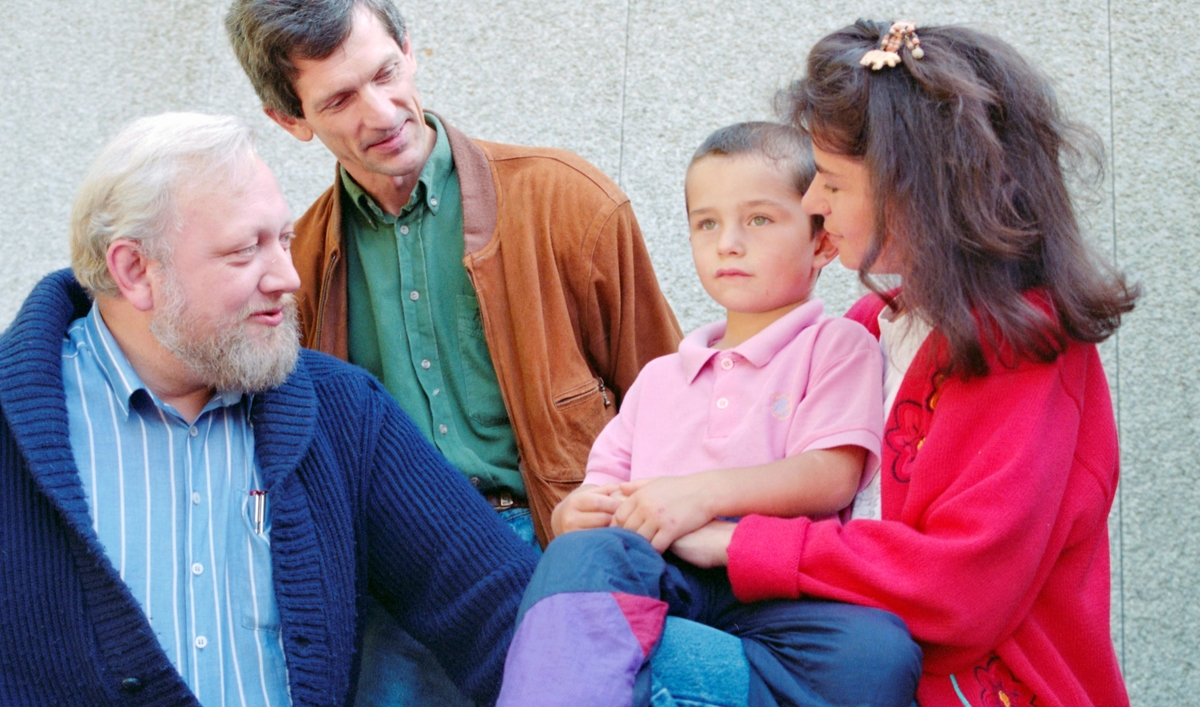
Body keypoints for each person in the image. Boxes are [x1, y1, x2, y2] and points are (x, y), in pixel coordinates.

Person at [223, 1, 702, 704]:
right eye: (340, 99)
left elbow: (672, 414)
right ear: (290, 121)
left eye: (385, 73)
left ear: (410, 50)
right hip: (400, 572)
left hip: (563, 545)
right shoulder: (301, 262)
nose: (382, 112)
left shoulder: (569, 201)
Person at [667, 21, 1139, 707]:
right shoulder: (865, 328)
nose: (811, 204)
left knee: (621, 653)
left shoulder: (1029, 347)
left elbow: (960, 590)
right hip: (841, 665)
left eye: (830, 180)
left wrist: (740, 546)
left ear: (918, 187)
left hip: (975, 691)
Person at [0, 112, 537, 706]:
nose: (287, 276)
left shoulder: (344, 416)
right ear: (135, 271)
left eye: (281, 239)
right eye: (243, 250)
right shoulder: (14, 423)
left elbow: (504, 613)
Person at [497, 122, 921, 707]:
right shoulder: (659, 378)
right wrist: (576, 512)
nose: (729, 243)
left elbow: (832, 474)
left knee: (880, 651)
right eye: (708, 223)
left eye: (760, 220)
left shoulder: (837, 345)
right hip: (663, 574)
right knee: (583, 557)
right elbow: (604, 489)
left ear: (821, 242)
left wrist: (702, 495)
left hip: (779, 591)